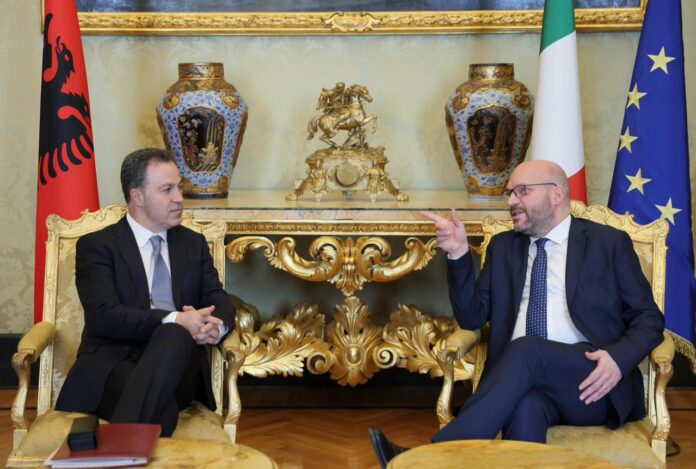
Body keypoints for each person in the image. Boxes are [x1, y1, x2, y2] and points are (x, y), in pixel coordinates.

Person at [369, 160, 664, 467]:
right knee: (526, 409)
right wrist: (458, 254)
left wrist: (617, 359)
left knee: (527, 350)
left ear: (556, 194)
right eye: (509, 193)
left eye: (522, 191)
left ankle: (432, 459)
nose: (511, 201)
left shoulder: (607, 243)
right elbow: (472, 318)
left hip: (592, 381)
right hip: (522, 380)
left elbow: (649, 319)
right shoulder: (503, 247)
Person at [56, 148, 235, 437]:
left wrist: (216, 326)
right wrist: (176, 319)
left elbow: (218, 299)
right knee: (163, 414)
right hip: (114, 364)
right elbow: (104, 316)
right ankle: (125, 448)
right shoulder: (98, 246)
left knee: (175, 334)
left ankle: (105, 452)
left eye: (179, 187)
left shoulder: (193, 244)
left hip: (179, 367)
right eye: (167, 190)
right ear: (137, 196)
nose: (179, 197)